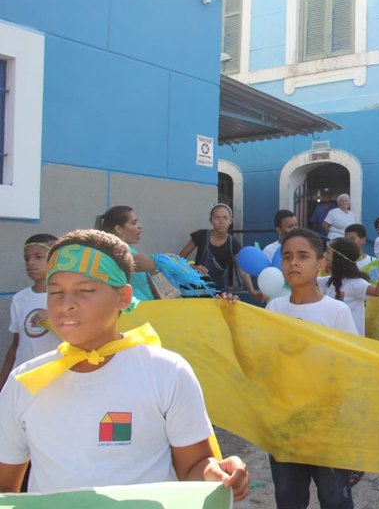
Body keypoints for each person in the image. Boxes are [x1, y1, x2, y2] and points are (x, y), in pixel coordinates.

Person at [0, 229, 249, 498]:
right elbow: (5, 485)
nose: (65, 304)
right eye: (55, 291)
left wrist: (216, 474)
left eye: (85, 290)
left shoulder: (166, 373)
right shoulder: (25, 381)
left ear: (124, 297)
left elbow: (193, 466)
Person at [265, 228, 356, 509]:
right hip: (285, 425)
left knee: (335, 499)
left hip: (328, 425)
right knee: (289, 499)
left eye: (303, 256)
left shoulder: (336, 312)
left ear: (321, 264)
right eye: (287, 256)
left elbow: (351, 368)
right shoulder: (274, 308)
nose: (293, 263)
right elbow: (262, 360)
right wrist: (233, 316)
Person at [1, 235, 61, 389]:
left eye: (38, 257)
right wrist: (3, 381)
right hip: (23, 378)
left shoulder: (66, 297)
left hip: (55, 379)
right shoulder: (20, 298)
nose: (31, 263)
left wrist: (52, 316)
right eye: (27, 258)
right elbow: (16, 344)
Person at [178, 204, 264, 300]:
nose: (221, 222)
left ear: (230, 221)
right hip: (195, 291)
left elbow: (242, 270)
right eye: (217, 218)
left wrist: (252, 291)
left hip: (218, 294)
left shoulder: (233, 243)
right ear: (211, 221)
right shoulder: (201, 235)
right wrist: (194, 267)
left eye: (225, 218)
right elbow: (178, 259)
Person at [319, 236, 379, 336]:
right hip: (334, 340)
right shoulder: (329, 281)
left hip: (352, 342)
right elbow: (307, 280)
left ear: (338, 259)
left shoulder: (355, 283)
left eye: (328, 252)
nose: (324, 255)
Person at [95, 206, 156, 301]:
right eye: (134, 223)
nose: (139, 226)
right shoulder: (113, 251)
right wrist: (167, 262)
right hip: (131, 311)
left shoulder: (129, 248)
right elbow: (139, 262)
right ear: (118, 229)